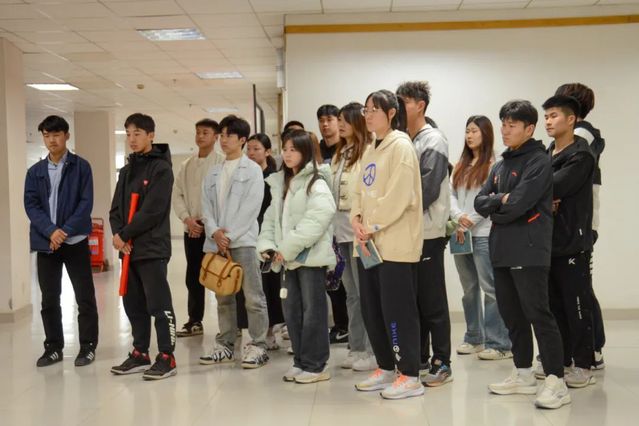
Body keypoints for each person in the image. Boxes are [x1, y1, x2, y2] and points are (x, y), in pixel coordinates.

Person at [475, 100, 570, 409]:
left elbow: (518, 204)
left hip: (529, 251)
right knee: (512, 316)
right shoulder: (500, 164)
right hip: (501, 250)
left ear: (529, 129)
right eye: (503, 124)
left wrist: (499, 203)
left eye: (512, 125)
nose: (505, 130)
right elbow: (479, 202)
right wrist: (500, 201)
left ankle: (556, 381)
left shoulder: (538, 162)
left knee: (538, 314)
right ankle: (524, 373)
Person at [351, 90, 424, 400]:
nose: (368, 115)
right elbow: (358, 190)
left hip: (394, 244)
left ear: (392, 113)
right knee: (373, 309)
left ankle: (409, 375)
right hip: (368, 244)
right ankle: (385, 367)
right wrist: (356, 218)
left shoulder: (401, 146)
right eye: (366, 110)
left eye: (374, 110)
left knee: (397, 311)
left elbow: (399, 196)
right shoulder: (371, 147)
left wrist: (370, 225)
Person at [257, 129, 336, 384]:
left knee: (313, 312)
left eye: (293, 149)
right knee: (292, 311)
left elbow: (317, 219)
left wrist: (286, 248)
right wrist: (268, 246)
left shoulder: (316, 182)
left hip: (310, 259)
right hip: (287, 260)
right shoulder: (282, 183)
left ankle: (316, 365)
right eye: (285, 149)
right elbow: (271, 219)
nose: (287, 154)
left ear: (306, 152)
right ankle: (301, 361)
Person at [24, 115, 99, 368]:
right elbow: (31, 206)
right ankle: (53, 347)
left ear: (66, 136)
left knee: (84, 296)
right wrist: (50, 231)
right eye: (46, 135)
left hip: (74, 241)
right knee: (49, 298)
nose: (51, 140)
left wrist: (63, 232)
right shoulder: (35, 172)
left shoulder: (81, 167)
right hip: (47, 244)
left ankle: (88, 346)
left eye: (56, 135)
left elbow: (85, 204)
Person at [198, 115, 270, 369]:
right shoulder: (213, 172)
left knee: (253, 296)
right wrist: (214, 232)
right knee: (223, 296)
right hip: (217, 243)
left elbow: (251, 208)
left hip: (243, 243)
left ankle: (258, 345)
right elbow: (206, 207)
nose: (223, 140)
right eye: (222, 135)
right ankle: (225, 344)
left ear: (242, 140)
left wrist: (228, 236)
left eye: (229, 135)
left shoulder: (252, 170)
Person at [110, 113, 177, 380]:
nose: (132, 139)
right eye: (128, 134)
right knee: (133, 304)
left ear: (151, 135)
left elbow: (152, 211)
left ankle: (167, 356)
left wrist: (125, 234)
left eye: (137, 133)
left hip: (152, 248)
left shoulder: (161, 169)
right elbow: (115, 209)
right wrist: (118, 236)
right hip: (128, 249)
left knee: (159, 304)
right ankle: (140, 352)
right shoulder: (127, 170)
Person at [396, 81, 452, 386]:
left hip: (428, 231)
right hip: (407, 233)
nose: (399, 108)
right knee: (413, 301)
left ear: (420, 105)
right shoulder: (404, 139)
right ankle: (418, 358)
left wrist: (395, 210)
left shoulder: (433, 140)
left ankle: (442, 362)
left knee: (432, 303)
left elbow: (427, 190)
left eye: (404, 102)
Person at [541, 95, 597, 388]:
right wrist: (544, 197)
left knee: (577, 305)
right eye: (546, 117)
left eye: (554, 116)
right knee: (554, 305)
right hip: (547, 241)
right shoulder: (548, 152)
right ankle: (561, 360)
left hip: (573, 241)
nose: (548, 122)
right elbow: (540, 187)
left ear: (571, 119)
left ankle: (584, 364)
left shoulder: (581, 154)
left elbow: (555, 185)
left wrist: (541, 194)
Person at [450, 115, 512, 360]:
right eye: (467, 131)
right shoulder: (461, 164)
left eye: (474, 131)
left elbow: (494, 197)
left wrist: (471, 219)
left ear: (486, 133)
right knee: (469, 289)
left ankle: (499, 343)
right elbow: (450, 194)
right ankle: (474, 337)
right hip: (460, 234)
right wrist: (459, 217)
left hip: (484, 233)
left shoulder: (496, 163)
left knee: (491, 289)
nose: (469, 135)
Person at [554, 83, 606, 369]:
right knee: (574, 290)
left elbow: (564, 181)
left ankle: (592, 350)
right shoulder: (573, 137)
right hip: (572, 222)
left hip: (579, 224)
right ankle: (581, 351)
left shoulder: (581, 137)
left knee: (579, 291)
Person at [331, 102, 376, 371]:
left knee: (365, 293)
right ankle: (356, 346)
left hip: (360, 232)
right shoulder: (340, 153)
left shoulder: (368, 150)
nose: (340, 124)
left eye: (345, 120)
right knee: (352, 294)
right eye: (339, 119)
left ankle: (372, 350)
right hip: (341, 232)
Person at [172, 118, 224, 338]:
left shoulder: (222, 163)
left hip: (215, 231)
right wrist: (187, 219)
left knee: (221, 274)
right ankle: (194, 321)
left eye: (205, 132)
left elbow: (222, 198)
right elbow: (177, 195)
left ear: (216, 137)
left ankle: (229, 326)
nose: (200, 136)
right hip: (192, 230)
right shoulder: (187, 165)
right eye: (198, 132)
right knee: (193, 275)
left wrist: (208, 223)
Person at [235, 133, 285, 350]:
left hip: (268, 237)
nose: (251, 153)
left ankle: (270, 331)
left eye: (256, 149)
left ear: (267, 152)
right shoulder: (243, 177)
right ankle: (252, 331)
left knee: (269, 285)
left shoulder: (274, 178)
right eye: (249, 149)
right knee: (248, 287)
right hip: (247, 236)